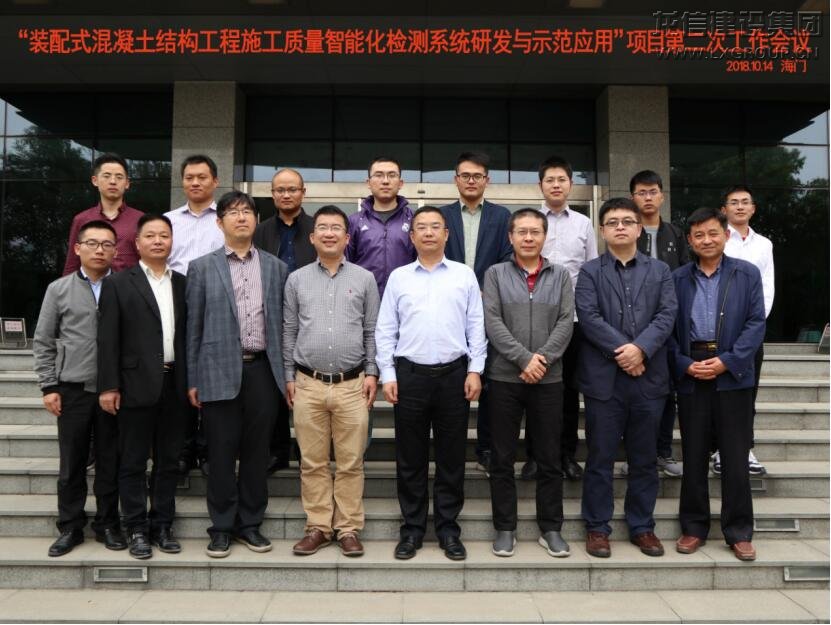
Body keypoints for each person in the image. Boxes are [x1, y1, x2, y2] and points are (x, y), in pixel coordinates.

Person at [375, 206, 487, 561]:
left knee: (452, 458)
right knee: (410, 458)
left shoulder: (464, 275)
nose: (428, 233)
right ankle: (412, 530)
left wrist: (475, 370)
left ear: (446, 234)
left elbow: (476, 326)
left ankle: (448, 529)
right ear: (412, 236)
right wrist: (388, 373)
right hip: (410, 377)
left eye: (435, 227)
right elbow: (385, 329)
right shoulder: (399, 278)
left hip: (454, 376)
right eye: (421, 227)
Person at [186, 191, 288, 559]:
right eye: (232, 212)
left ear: (256, 220)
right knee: (221, 453)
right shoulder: (201, 268)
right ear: (220, 222)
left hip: (264, 371)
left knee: (257, 454)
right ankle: (221, 528)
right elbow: (194, 327)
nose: (241, 217)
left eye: (247, 211)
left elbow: (284, 326)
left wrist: (286, 376)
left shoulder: (276, 268)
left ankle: (250, 524)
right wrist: (193, 378)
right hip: (217, 371)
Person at [575, 197, 677, 559]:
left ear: (639, 229)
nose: (620, 227)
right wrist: (626, 353)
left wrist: (641, 350)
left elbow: (667, 315)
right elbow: (588, 317)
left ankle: (642, 527)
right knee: (600, 457)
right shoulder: (590, 272)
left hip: (649, 379)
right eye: (613, 222)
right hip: (605, 381)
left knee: (644, 459)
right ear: (602, 231)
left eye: (627, 221)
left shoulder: (660, 271)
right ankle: (597, 528)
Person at [284, 205, 380, 558]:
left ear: (347, 236)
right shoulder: (296, 279)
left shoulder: (364, 279)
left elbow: (371, 330)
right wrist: (288, 375)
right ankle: (318, 526)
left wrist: (372, 371)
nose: (328, 233)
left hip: (351, 384)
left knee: (351, 461)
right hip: (307, 383)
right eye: (322, 227)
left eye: (335, 228)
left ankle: (348, 528)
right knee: (312, 462)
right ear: (312, 237)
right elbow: (289, 329)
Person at [670, 207, 765, 562]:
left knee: (735, 456)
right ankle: (694, 527)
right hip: (692, 369)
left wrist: (728, 361)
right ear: (690, 240)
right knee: (694, 454)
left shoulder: (746, 273)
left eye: (712, 233)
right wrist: (684, 364)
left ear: (725, 235)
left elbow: (756, 323)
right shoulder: (677, 279)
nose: (706, 240)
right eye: (699, 235)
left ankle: (739, 531)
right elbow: (667, 327)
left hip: (732, 374)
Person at [482, 208, 574, 558]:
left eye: (535, 232)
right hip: (505, 378)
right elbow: (492, 321)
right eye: (521, 232)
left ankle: (551, 528)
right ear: (511, 237)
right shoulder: (495, 274)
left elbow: (566, 321)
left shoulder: (560, 275)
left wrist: (542, 360)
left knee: (549, 457)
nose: (528, 238)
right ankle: (505, 528)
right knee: (502, 458)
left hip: (549, 379)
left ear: (544, 236)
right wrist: (523, 359)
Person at [98, 214, 189, 560]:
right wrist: (109, 386)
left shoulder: (183, 283)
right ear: (137, 243)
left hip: (175, 383)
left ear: (171, 242)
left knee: (169, 460)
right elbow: (108, 340)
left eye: (164, 235)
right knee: (133, 461)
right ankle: (136, 527)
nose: (157, 241)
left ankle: (162, 525)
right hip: (134, 384)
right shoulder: (118, 284)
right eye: (150, 236)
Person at [33, 220, 123, 557]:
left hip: (114, 390)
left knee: (110, 461)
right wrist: (48, 385)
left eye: (107, 244)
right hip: (72, 388)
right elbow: (43, 340)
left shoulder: (125, 286)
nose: (100, 250)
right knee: (72, 463)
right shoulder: (59, 289)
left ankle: (108, 524)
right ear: (78, 248)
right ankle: (70, 526)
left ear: (116, 251)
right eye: (92, 243)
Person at [440, 151, 512, 477]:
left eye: (477, 176)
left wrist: (485, 289)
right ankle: (451, 451)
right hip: (448, 311)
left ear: (487, 180)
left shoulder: (502, 216)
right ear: (456, 179)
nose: (471, 181)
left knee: (489, 383)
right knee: (455, 380)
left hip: (489, 309)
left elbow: (509, 258)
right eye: (465, 175)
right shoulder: (441, 216)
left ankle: (486, 449)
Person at [531, 156, 598, 482]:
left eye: (561, 180)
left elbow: (591, 270)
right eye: (550, 180)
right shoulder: (529, 221)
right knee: (533, 390)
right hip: (534, 319)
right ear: (541, 185)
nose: (556, 185)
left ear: (570, 184)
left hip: (572, 320)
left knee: (569, 392)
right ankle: (535, 456)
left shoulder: (583, 224)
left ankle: (567, 455)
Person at [165, 154, 226, 477]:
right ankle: (183, 448)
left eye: (202, 177)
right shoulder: (169, 221)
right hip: (178, 301)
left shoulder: (225, 220)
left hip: (218, 304)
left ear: (215, 181)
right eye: (189, 177)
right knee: (182, 374)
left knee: (213, 374)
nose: (195, 183)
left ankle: (207, 448)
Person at [254, 168, 317, 474]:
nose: (286, 195)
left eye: (292, 189)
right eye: (280, 190)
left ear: (303, 193)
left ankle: (309, 451)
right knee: (275, 387)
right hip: (270, 317)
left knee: (307, 387)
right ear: (272, 194)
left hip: (310, 318)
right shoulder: (260, 232)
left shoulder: (317, 228)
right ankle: (277, 450)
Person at [629, 169, 690, 478]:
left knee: (667, 393)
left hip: (670, 326)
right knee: (634, 395)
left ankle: (663, 452)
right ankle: (635, 455)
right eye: (641, 192)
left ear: (662, 196)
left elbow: (686, 277)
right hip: (634, 327)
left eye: (653, 191)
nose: (648, 197)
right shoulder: (628, 231)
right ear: (633, 198)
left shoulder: (676, 234)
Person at [718, 185, 774, 476]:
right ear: (724, 209)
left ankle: (744, 448)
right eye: (733, 202)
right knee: (719, 394)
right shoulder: (718, 239)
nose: (739, 207)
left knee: (747, 393)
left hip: (751, 334)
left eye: (745, 202)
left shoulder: (764, 244)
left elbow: (767, 287)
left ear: (753, 208)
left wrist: (754, 324)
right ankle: (719, 450)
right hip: (719, 332)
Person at [346, 157, 416, 298]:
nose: (385, 181)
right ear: (368, 183)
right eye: (378, 175)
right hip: (363, 299)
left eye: (392, 175)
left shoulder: (414, 220)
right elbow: (345, 264)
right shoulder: (354, 222)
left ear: (400, 183)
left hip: (405, 298)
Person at [63, 153, 143, 276]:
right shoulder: (82, 219)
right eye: (106, 176)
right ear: (95, 180)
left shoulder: (140, 220)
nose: (113, 181)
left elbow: (148, 261)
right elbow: (72, 263)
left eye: (119, 177)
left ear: (127, 183)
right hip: (90, 286)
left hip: (129, 286)